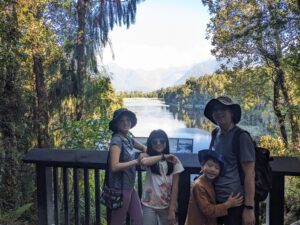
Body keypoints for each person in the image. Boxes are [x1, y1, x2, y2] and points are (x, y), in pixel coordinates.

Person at [204, 96, 256, 225]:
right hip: (216, 200)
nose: (218, 112)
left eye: (223, 109)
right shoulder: (215, 133)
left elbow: (250, 174)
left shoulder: (241, 137)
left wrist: (249, 208)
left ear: (232, 112)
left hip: (235, 202)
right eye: (215, 110)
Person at [108, 108, 147, 225]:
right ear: (116, 124)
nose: (126, 123)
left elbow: (144, 148)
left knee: (139, 219)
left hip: (129, 187)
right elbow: (114, 166)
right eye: (122, 120)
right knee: (118, 221)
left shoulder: (128, 139)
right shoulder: (116, 141)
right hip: (120, 189)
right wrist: (136, 161)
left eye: (128, 120)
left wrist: (157, 153)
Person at [184, 149, 243, 225]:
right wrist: (228, 204)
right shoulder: (199, 186)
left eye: (217, 168)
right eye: (209, 165)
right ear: (202, 166)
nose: (212, 169)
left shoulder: (210, 183)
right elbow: (208, 210)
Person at [140, 129, 184, 225]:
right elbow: (144, 162)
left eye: (162, 141)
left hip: (167, 205)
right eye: (155, 142)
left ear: (166, 142)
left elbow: (175, 187)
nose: (158, 143)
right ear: (151, 144)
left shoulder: (174, 160)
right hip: (149, 205)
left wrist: (172, 210)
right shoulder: (148, 157)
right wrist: (163, 157)